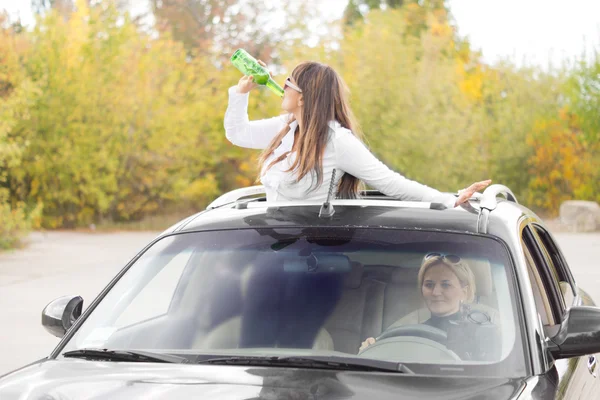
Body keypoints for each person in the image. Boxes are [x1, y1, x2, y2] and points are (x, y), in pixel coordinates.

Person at [224, 60, 491, 206]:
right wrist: (240, 93)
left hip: (311, 250)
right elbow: (238, 134)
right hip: (273, 246)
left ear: (304, 97)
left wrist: (449, 200)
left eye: (288, 83)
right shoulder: (285, 127)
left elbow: (389, 182)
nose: (282, 88)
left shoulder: (337, 141)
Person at [359, 253, 500, 361]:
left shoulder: (485, 332)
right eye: (429, 285)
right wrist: (371, 350)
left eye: (446, 284)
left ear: (465, 291)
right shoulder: (408, 330)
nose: (436, 292)